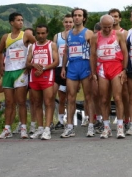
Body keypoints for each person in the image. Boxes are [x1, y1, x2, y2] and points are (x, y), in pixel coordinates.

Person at [0, 12, 36, 139]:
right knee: (9, 102)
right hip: (8, 71)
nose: (21, 22)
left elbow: (37, 46)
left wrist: (30, 62)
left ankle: (23, 127)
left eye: (22, 20)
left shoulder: (26, 35)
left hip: (21, 71)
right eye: (18, 20)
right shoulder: (5, 37)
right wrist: (1, 66)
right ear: (11, 22)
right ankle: (7, 128)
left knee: (21, 101)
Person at [90, 14, 128, 139]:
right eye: (105, 27)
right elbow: (93, 56)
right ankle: (106, 128)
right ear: (101, 25)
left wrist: (124, 70)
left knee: (117, 98)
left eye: (109, 27)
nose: (107, 29)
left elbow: (125, 52)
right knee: (104, 99)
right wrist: (93, 72)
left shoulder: (119, 35)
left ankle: (120, 127)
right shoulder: (95, 37)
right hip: (102, 68)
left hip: (116, 67)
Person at [60, 8, 95, 138]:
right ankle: (69, 127)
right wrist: (63, 67)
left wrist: (93, 70)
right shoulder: (68, 34)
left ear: (84, 18)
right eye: (75, 15)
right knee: (71, 97)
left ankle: (91, 125)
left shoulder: (89, 33)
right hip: (73, 66)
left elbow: (93, 53)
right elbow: (66, 52)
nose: (76, 18)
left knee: (88, 97)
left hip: (85, 65)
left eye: (79, 15)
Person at [26, 25, 59, 140]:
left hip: (47, 76)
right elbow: (27, 62)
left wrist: (43, 68)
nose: (40, 36)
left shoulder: (52, 45)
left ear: (47, 33)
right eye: (38, 33)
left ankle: (47, 129)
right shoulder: (32, 46)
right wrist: (32, 65)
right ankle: (40, 128)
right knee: (36, 103)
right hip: (34, 77)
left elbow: (56, 62)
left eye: (43, 33)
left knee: (48, 102)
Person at [108, 8, 130, 127]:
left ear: (120, 18)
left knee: (124, 94)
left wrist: (124, 68)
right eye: (111, 16)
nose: (114, 18)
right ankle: (105, 122)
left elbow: (127, 52)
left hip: (122, 67)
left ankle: (126, 120)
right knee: (108, 94)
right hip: (108, 68)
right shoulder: (104, 33)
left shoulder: (125, 33)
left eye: (116, 16)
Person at [53, 14, 73, 130]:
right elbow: (53, 52)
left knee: (71, 97)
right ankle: (60, 120)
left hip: (72, 68)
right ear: (63, 23)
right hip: (59, 67)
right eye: (66, 22)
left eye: (70, 22)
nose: (68, 24)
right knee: (61, 98)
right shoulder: (57, 36)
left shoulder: (75, 35)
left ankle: (70, 122)